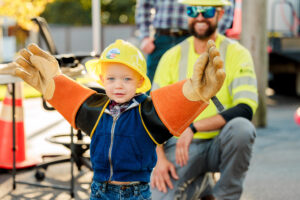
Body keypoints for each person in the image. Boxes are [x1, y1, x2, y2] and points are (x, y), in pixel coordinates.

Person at [10, 39, 225, 200]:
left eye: (126, 78)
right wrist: (53, 83)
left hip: (134, 192)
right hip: (99, 189)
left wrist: (194, 93)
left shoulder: (146, 113)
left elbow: (169, 106)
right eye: (111, 79)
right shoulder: (97, 110)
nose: (118, 85)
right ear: (102, 80)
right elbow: (74, 99)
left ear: (139, 80)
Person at [150, 0, 258, 199]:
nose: (200, 17)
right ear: (187, 14)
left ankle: (224, 195)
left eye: (206, 11)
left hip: (221, 142)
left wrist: (194, 127)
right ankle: (200, 184)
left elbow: (245, 108)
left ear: (220, 14)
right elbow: (154, 112)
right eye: (193, 10)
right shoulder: (171, 56)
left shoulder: (237, 53)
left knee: (243, 129)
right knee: (157, 196)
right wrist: (159, 159)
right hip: (182, 148)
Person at [135, 0, 234, 84]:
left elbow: (227, 7)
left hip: (193, 38)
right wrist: (145, 36)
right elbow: (144, 5)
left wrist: (209, 35)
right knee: (152, 86)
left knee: (193, 84)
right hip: (161, 40)